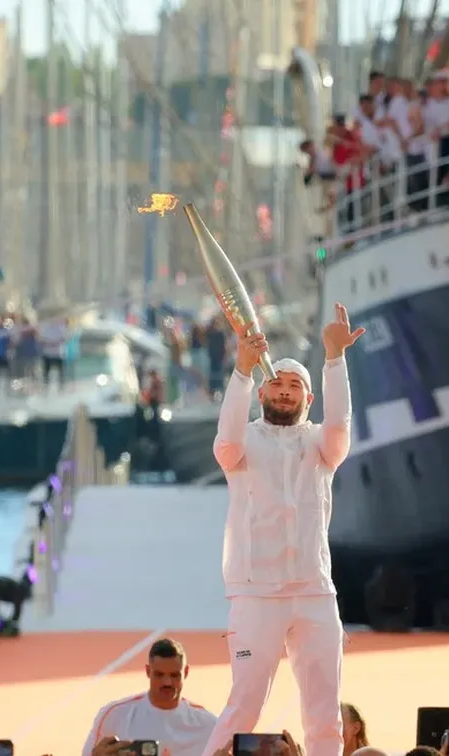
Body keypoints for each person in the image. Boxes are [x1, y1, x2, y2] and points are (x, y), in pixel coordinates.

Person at [199, 303, 367, 756]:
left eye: (296, 386)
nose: (286, 392)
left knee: (324, 713)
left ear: (308, 400)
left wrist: (335, 359)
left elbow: (341, 428)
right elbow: (227, 442)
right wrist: (242, 370)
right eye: (276, 383)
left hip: (314, 592)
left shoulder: (320, 446)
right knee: (244, 707)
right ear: (261, 394)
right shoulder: (242, 444)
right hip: (256, 594)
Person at [83, 638, 218, 756]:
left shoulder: (209, 725)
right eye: (159, 674)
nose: (167, 682)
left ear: (186, 672)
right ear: (148, 671)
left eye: (174, 675)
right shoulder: (115, 715)